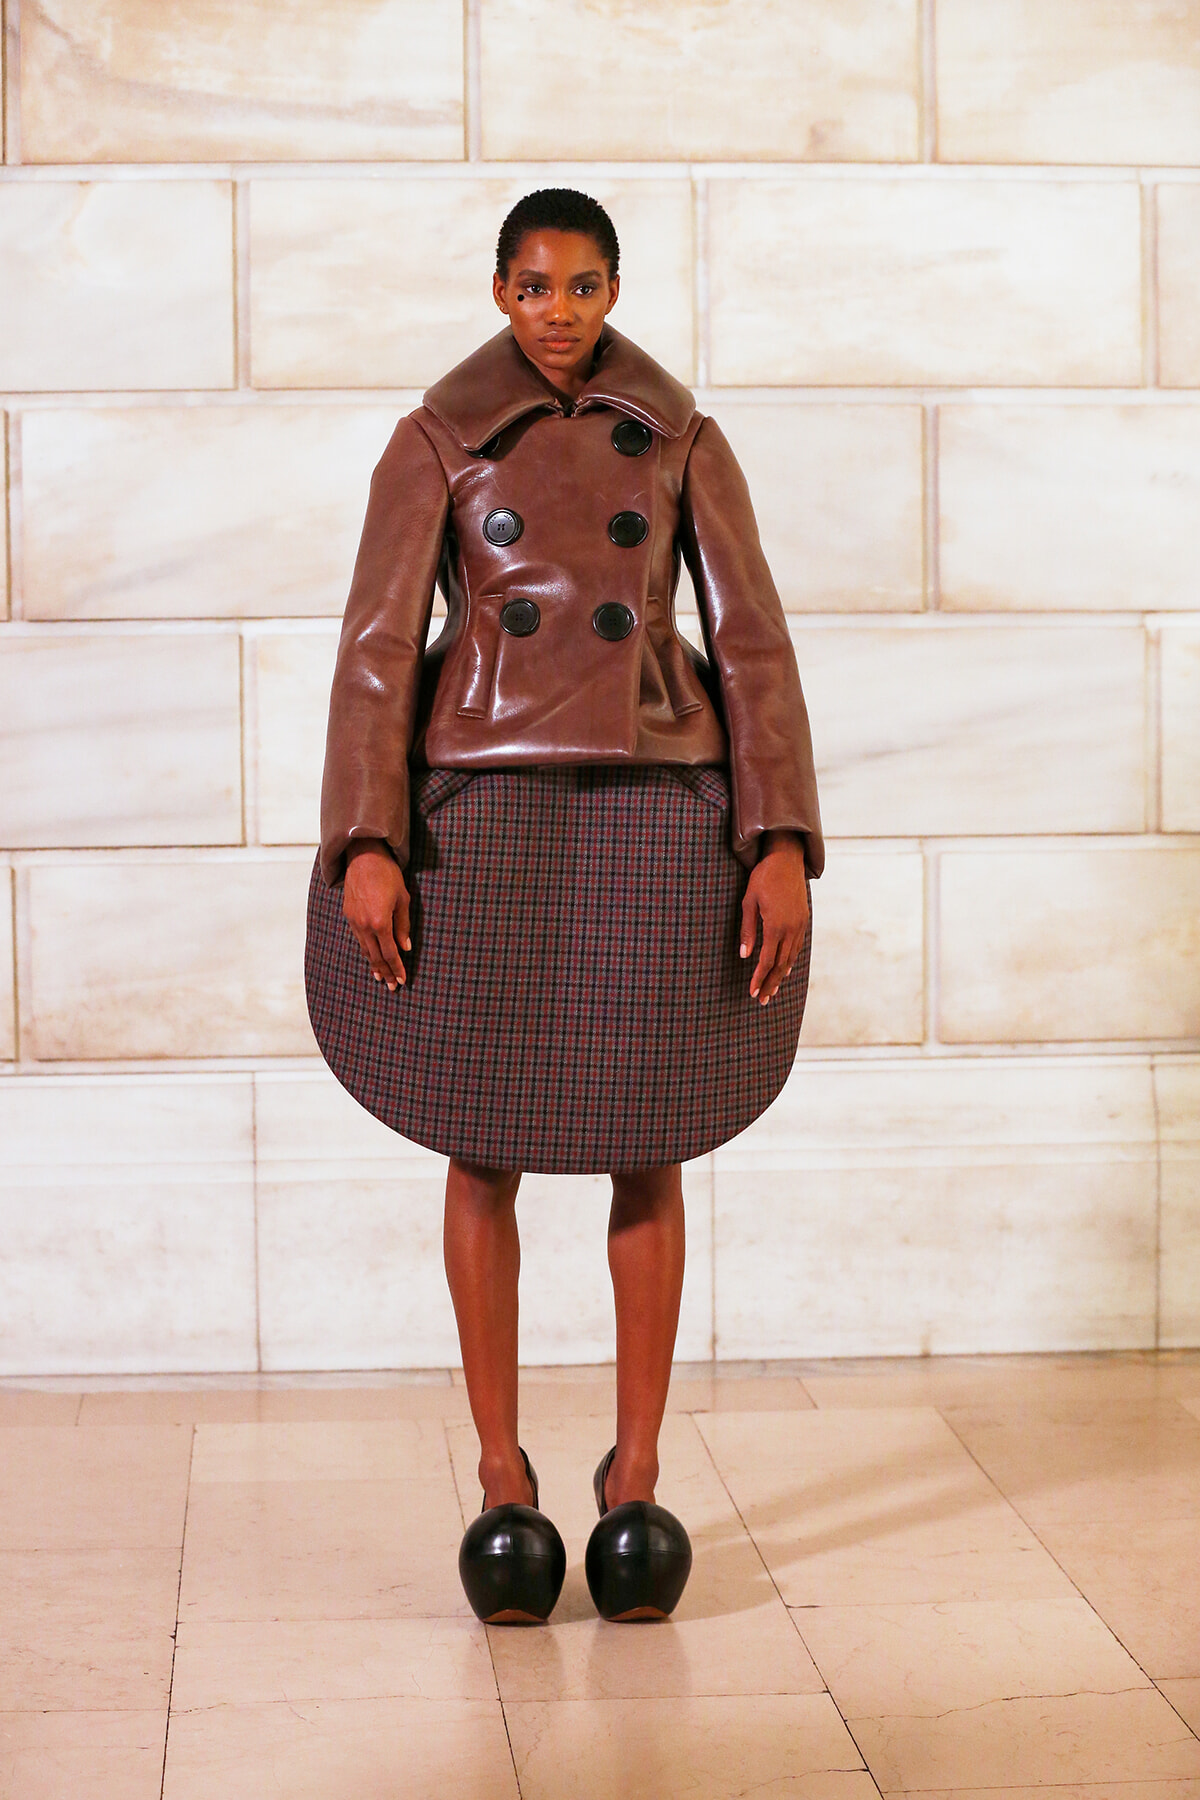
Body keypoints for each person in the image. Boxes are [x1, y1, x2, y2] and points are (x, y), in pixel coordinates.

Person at [305, 188, 823, 1625]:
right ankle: (498, 1478)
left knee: (650, 1136)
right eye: (533, 285)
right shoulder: (435, 442)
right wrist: (369, 834)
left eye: (584, 284)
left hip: (661, 805)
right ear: (497, 292)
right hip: (484, 809)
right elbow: (373, 650)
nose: (559, 311)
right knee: (484, 1139)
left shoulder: (683, 440)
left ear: (614, 289)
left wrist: (776, 830)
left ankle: (638, 1477)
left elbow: (755, 642)